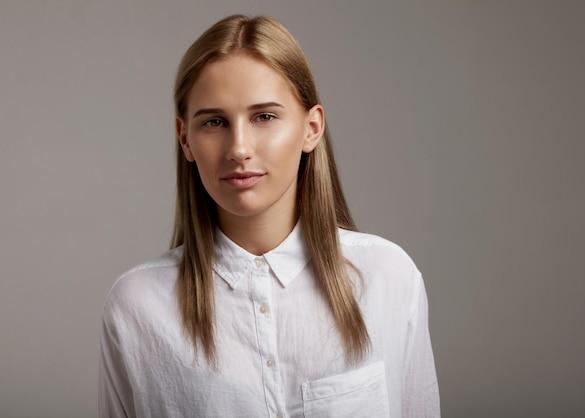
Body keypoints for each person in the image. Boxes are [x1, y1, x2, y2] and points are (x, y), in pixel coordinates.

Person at [98, 14, 439, 418]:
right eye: (214, 122)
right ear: (185, 138)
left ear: (311, 128)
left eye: (264, 117)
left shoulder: (388, 278)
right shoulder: (137, 307)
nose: (239, 148)